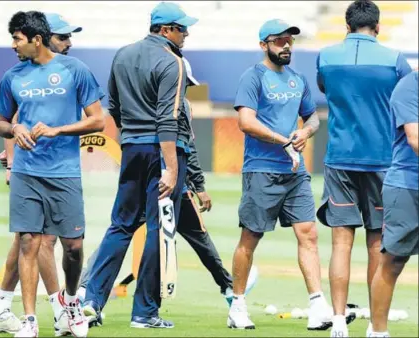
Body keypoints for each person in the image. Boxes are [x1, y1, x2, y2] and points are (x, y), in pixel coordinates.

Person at [78, 57, 258, 327]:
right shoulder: (179, 106)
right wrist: (197, 185)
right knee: (191, 238)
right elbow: (186, 146)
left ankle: (89, 293)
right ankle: (223, 289)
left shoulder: (143, 97)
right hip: (171, 182)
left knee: (120, 230)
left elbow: (116, 110)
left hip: (143, 167)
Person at [82, 2, 197, 329]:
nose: (186, 34)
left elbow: (114, 107)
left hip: (132, 146)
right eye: (182, 28)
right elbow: (168, 120)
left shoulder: (122, 54)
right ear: (165, 30)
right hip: (162, 150)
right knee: (159, 230)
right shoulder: (173, 62)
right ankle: (145, 312)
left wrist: (131, 138)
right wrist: (171, 168)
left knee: (120, 224)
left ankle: (92, 300)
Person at [0, 10, 105, 337]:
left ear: (36, 39)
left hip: (64, 173)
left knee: (72, 247)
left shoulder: (75, 71)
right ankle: (30, 321)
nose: (13, 45)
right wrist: (14, 128)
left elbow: (97, 120)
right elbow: (1, 121)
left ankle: (70, 303)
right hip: (27, 173)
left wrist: (58, 130)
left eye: (17, 38)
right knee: (28, 240)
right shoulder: (13, 76)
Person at [315, 1, 412, 336]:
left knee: (341, 243)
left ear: (347, 26)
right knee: (377, 244)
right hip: (383, 161)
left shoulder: (326, 57)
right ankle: (375, 321)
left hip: (339, 157)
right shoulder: (395, 60)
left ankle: (339, 320)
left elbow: (325, 89)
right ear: (378, 26)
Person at [228, 19, 331, 330]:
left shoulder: (298, 79)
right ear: (264, 45)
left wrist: (305, 132)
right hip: (261, 169)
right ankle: (238, 305)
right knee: (250, 237)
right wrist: (283, 139)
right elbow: (245, 121)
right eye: (278, 41)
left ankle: (317, 306)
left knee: (309, 234)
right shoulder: (253, 77)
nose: (286, 45)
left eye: (289, 40)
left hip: (294, 171)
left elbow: (312, 117)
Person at [368, 71, 418, 338]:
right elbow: (415, 138)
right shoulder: (409, 88)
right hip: (408, 185)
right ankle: (378, 332)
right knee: (393, 261)